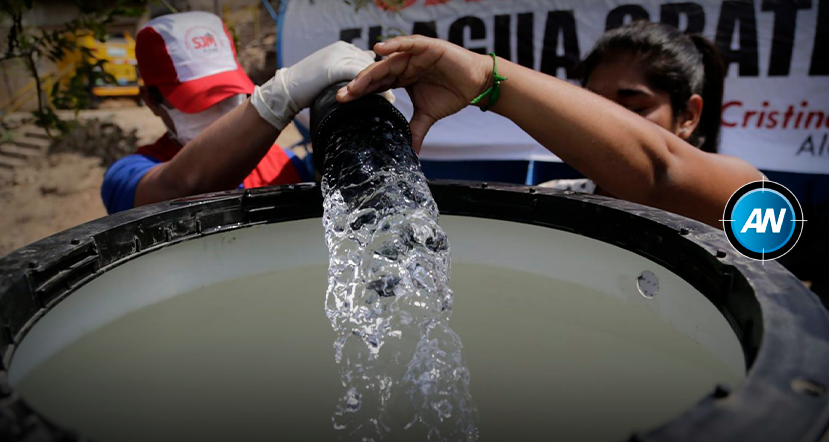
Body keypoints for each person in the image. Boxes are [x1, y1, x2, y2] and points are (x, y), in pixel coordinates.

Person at [337, 22, 763, 228]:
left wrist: (489, 81)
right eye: (594, 105)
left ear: (688, 115)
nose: (606, 123)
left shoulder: (744, 200)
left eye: (633, 105)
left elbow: (659, 174)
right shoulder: (553, 205)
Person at [101, 11, 376, 213]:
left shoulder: (285, 164)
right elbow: (182, 188)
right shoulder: (126, 177)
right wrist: (282, 95)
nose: (220, 109)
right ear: (150, 100)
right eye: (197, 101)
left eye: (229, 95)